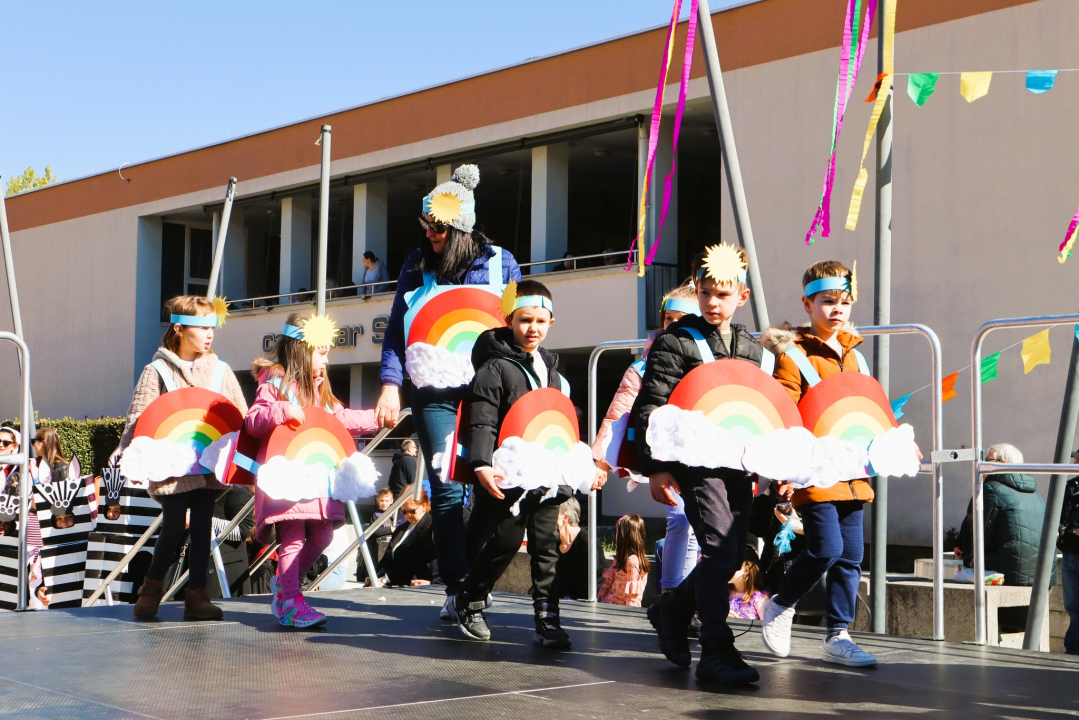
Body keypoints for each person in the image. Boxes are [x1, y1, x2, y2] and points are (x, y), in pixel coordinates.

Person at [375, 164, 522, 617]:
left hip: (488, 390)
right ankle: (457, 587)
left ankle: (473, 577)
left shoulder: (500, 261)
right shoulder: (416, 265)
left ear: (461, 227)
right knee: (444, 486)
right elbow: (399, 330)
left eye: (439, 227)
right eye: (427, 225)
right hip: (433, 388)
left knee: (488, 485)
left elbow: (517, 328)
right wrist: (389, 385)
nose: (431, 234)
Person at [633, 243, 768, 686]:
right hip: (694, 464)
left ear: (741, 297)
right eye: (706, 292)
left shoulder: (752, 348)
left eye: (723, 294)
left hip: (738, 466)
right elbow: (651, 405)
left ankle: (671, 611)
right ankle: (715, 649)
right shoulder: (676, 341)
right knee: (717, 550)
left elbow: (760, 409)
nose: (713, 302)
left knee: (730, 555)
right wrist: (655, 467)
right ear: (697, 289)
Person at [448, 279, 605, 648]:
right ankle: (468, 598)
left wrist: (582, 468)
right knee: (503, 540)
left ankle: (547, 619)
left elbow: (562, 425)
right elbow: (481, 419)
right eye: (524, 320)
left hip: (548, 476)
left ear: (551, 322)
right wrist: (481, 464)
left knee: (546, 545)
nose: (532, 328)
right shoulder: (494, 368)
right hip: (509, 473)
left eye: (540, 320)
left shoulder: (554, 372)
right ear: (509, 319)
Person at [759, 260, 877, 668]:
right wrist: (783, 472)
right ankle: (781, 604)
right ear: (807, 304)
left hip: (852, 470)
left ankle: (838, 634)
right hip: (813, 467)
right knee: (826, 547)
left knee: (851, 555)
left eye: (844, 301)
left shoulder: (857, 357)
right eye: (827, 301)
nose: (837, 309)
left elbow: (869, 410)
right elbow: (784, 412)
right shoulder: (792, 355)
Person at [118, 295, 249, 621]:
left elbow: (240, 415)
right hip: (171, 465)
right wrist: (129, 457)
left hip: (209, 464)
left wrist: (249, 457)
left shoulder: (221, 370)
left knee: (203, 525)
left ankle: (196, 595)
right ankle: (151, 589)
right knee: (175, 525)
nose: (209, 334)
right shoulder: (157, 370)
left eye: (212, 327)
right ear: (179, 328)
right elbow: (139, 417)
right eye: (202, 327)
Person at [246, 311, 379, 628]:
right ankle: (291, 600)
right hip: (289, 479)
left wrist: (378, 418)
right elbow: (253, 420)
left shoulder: (322, 391)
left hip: (319, 482)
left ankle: (286, 588)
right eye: (321, 351)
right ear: (301, 350)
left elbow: (340, 421)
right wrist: (282, 409)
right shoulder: (276, 384)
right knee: (291, 540)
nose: (327, 360)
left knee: (322, 536)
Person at [594, 282, 701, 602]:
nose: (672, 324)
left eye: (680, 318)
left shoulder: (709, 359)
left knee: (698, 527)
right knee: (681, 517)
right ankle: (671, 595)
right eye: (667, 318)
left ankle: (683, 593)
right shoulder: (645, 363)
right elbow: (619, 409)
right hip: (666, 456)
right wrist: (601, 460)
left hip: (703, 454)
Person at [956, 443, 1047, 587]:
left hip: (1008, 571)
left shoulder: (990, 488)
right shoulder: (1035, 493)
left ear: (1002, 464)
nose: (981, 463)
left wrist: (967, 552)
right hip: (1042, 573)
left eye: (987, 459)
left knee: (968, 563)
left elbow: (978, 533)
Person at [373, 484, 437, 586]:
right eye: (404, 511)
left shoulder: (431, 528)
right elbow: (387, 558)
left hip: (412, 586)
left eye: (412, 511)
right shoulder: (401, 529)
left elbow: (413, 562)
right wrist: (375, 577)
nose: (408, 515)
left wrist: (386, 579)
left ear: (424, 506)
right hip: (389, 585)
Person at [205, 486, 255, 598]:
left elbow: (243, 530)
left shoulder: (235, 487)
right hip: (194, 563)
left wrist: (199, 518)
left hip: (224, 569)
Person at [598, 514, 650, 606]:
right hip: (608, 605)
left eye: (617, 532)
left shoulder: (632, 562)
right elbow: (608, 582)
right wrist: (599, 599)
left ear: (625, 537)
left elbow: (632, 596)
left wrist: (629, 616)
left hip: (620, 611)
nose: (616, 536)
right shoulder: (620, 558)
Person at [32, 428, 76, 529]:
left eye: (34, 441)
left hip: (61, 527)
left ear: (43, 443)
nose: (33, 445)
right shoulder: (45, 466)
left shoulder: (61, 467)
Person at [555, 497, 594, 601]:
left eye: (553, 515)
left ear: (565, 518)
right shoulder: (553, 542)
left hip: (579, 606)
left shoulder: (587, 543)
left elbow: (584, 587)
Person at [1060, 449, 1079, 655]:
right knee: (1072, 606)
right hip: (1069, 552)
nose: (1074, 463)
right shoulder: (1070, 486)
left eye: (1077, 460)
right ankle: (1073, 650)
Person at [357, 487, 396, 583]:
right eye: (382, 500)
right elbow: (376, 531)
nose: (384, 503)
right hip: (379, 544)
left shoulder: (394, 514)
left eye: (387, 501)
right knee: (378, 563)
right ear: (378, 500)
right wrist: (390, 529)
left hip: (390, 543)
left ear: (391, 501)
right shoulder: (376, 515)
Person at [728, 552, 769, 620]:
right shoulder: (723, 593)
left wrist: (738, 620)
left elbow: (766, 625)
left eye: (731, 565)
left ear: (746, 570)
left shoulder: (758, 598)